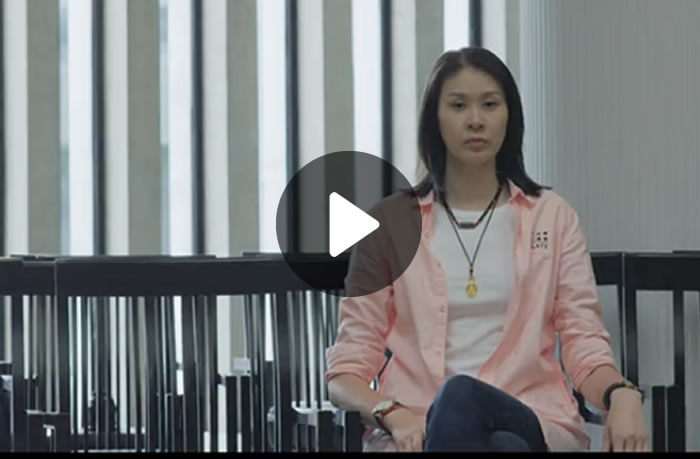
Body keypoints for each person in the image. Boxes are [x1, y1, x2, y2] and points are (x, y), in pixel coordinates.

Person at [324, 47, 649, 452]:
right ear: (434, 119)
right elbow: (346, 371)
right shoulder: (389, 225)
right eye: (458, 105)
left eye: (490, 104)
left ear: (510, 116)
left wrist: (622, 393)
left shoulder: (552, 217)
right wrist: (393, 412)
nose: (475, 120)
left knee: (462, 395)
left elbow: (584, 343)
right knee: (501, 446)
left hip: (532, 417)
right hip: (416, 427)